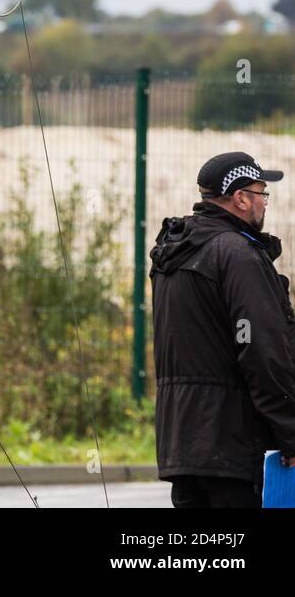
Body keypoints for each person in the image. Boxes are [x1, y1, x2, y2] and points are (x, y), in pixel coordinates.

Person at [151, 151, 295, 508]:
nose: (265, 202)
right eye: (262, 193)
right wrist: (289, 430)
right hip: (233, 443)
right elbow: (263, 349)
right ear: (241, 198)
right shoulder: (238, 255)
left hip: (181, 443)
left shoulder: (175, 254)